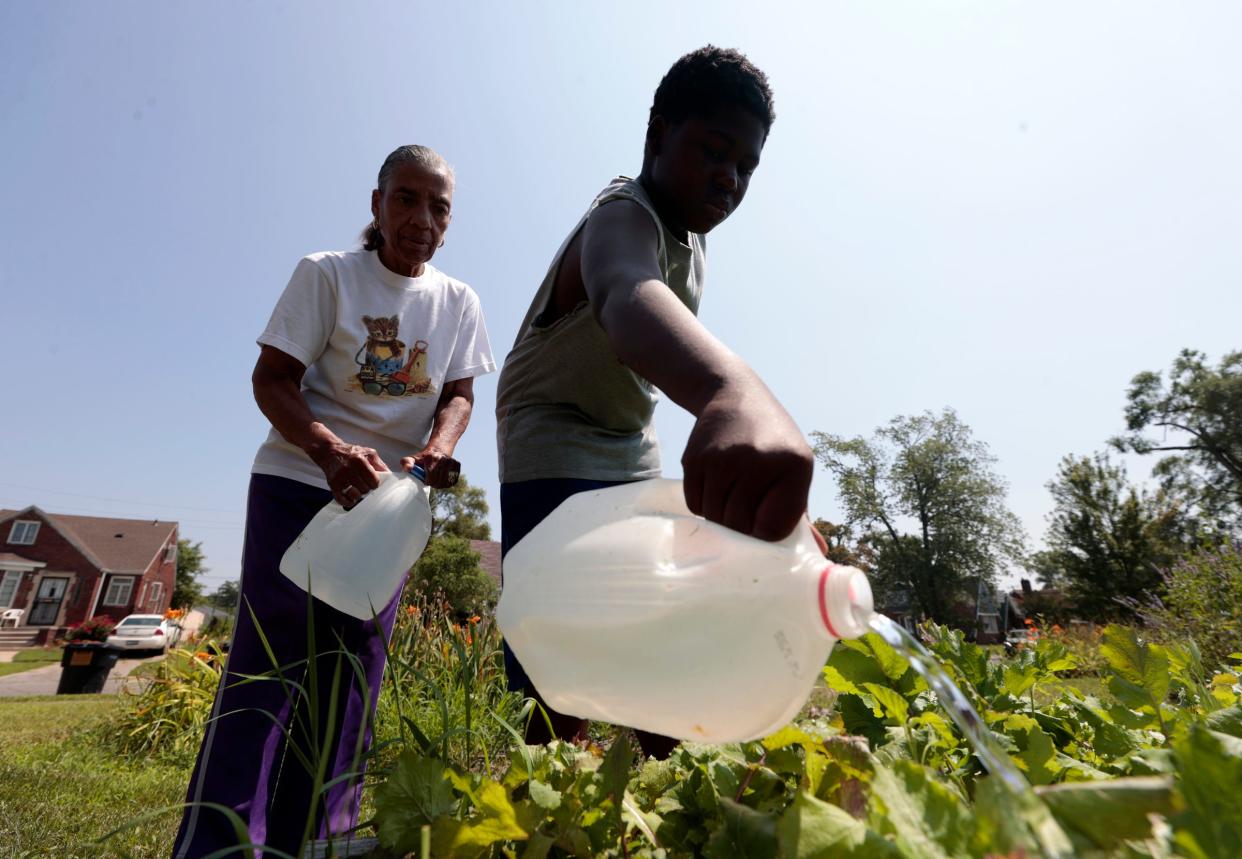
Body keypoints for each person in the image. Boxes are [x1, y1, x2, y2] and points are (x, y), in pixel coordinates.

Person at [495, 46, 822, 760]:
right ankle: (545, 798)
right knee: (563, 647)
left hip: (626, 437)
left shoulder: (694, 240)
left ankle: (675, 789)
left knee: (662, 620)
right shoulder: (623, 216)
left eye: (747, 166)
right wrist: (729, 392)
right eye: (713, 150)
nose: (729, 178)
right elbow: (623, 294)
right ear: (657, 132)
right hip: (552, 426)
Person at [173, 145, 495, 857]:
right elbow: (272, 378)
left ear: (451, 220)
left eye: (437, 205)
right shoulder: (328, 276)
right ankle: (219, 845)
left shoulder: (458, 302)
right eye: (406, 199)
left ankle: (314, 840)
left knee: (350, 677)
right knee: (266, 668)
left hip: (389, 507)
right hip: (298, 486)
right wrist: (327, 449)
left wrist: (439, 446)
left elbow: (461, 394)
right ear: (376, 204)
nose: (420, 217)